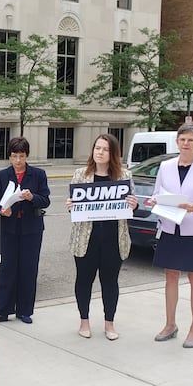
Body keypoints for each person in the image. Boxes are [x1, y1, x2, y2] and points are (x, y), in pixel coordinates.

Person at [145, 122, 193, 348]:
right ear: (177, 142)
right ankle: (170, 324)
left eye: (190, 140)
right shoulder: (166, 166)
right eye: (182, 140)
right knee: (170, 276)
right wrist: (154, 201)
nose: (186, 144)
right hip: (170, 227)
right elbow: (158, 193)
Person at [66, 134, 138, 340]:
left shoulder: (124, 176)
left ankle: (109, 324)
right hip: (85, 239)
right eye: (97, 148)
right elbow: (75, 208)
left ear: (112, 153)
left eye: (104, 149)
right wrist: (71, 206)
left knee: (110, 282)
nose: (99, 152)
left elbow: (131, 205)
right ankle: (84, 322)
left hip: (113, 239)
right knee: (84, 281)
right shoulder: (81, 174)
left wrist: (134, 204)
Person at [0, 137, 50, 324]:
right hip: (9, 228)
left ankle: (24, 310)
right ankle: (2, 310)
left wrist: (32, 197)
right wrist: (1, 211)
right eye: (15, 156)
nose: (18, 161)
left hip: (31, 230)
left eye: (22, 156)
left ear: (27, 156)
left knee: (28, 269)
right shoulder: (2, 175)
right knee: (7, 269)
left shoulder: (38, 174)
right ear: (9, 156)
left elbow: (46, 200)